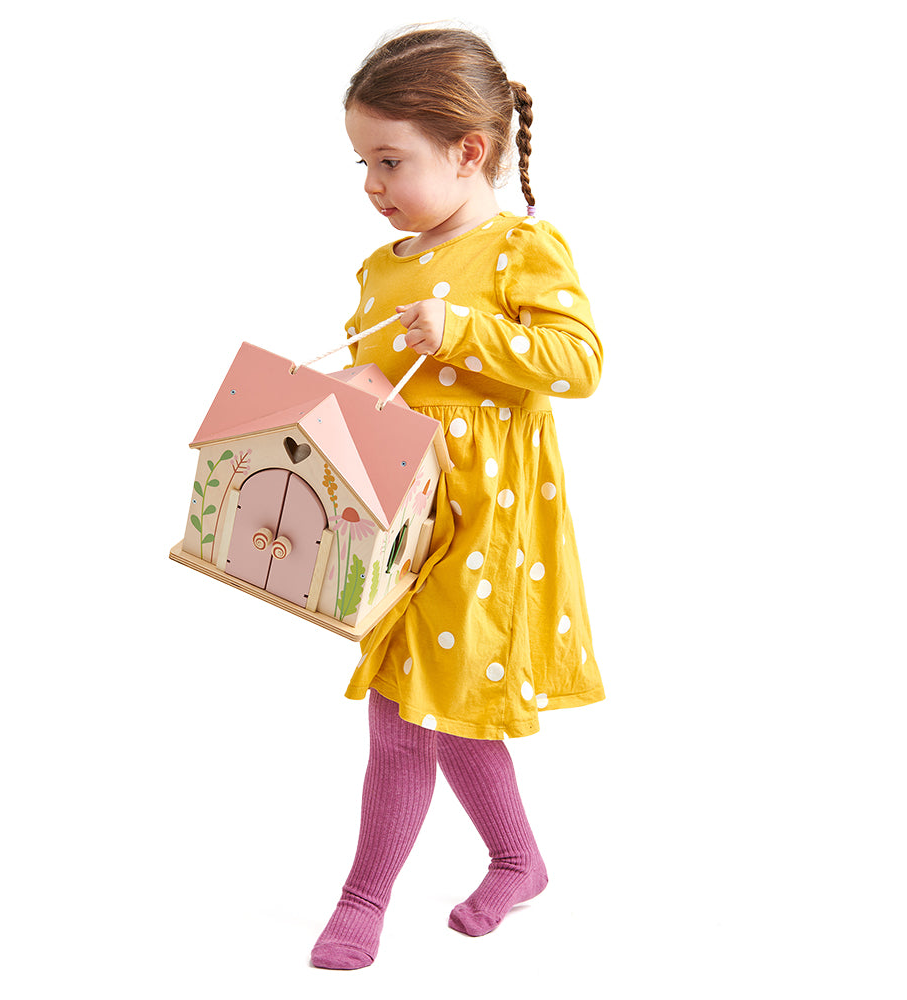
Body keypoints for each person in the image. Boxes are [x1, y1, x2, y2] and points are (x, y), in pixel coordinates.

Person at [311, 25, 605, 971]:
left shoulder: (520, 249)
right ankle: (519, 860)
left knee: (411, 712)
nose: (372, 184)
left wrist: (467, 326)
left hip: (486, 526)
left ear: (468, 151)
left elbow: (579, 362)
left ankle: (364, 900)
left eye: (389, 160)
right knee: (443, 702)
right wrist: (352, 391)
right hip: (401, 522)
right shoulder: (385, 267)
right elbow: (387, 385)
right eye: (364, 161)